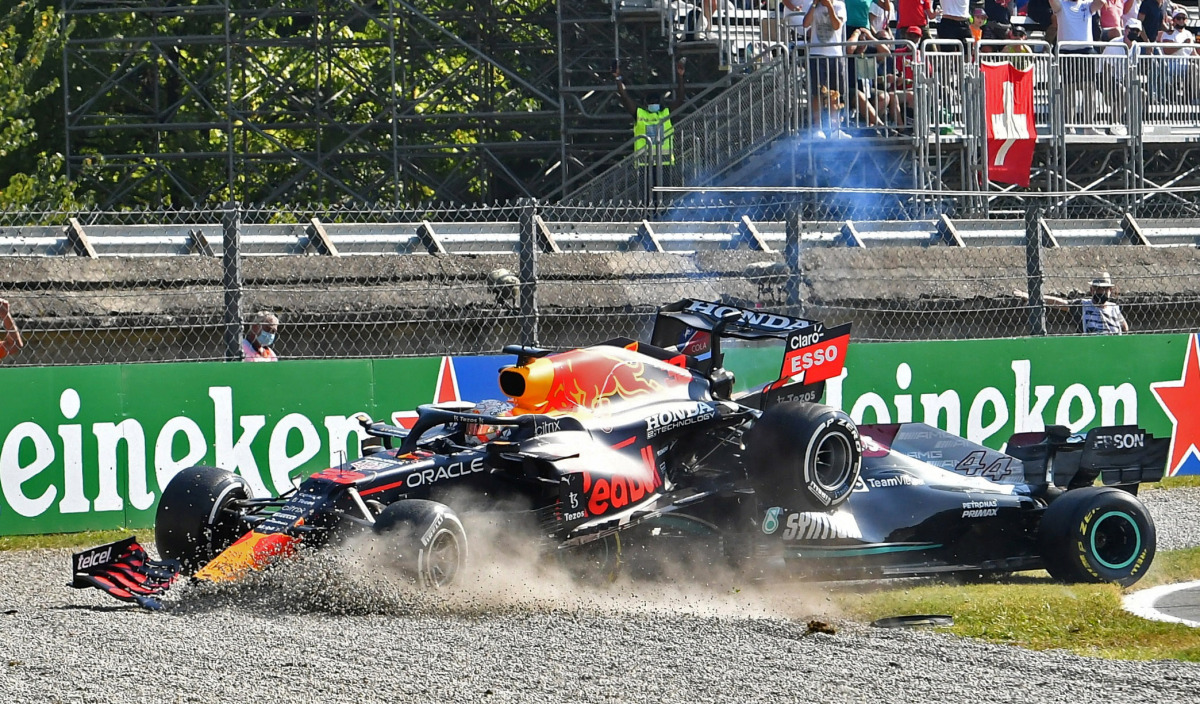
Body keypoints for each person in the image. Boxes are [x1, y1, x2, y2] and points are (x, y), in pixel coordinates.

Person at [615, 60, 686, 168]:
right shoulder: (664, 114)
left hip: (651, 164)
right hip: (658, 163)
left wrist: (618, 78)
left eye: (655, 101)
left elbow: (625, 97)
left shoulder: (641, 114)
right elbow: (680, 98)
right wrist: (680, 77)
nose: (654, 103)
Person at [1014, 272, 1130, 334]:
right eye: (1098, 288)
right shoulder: (1082, 306)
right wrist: (1031, 297)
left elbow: (1125, 328)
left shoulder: (1114, 308)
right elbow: (1060, 303)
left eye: (1105, 289)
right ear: (1091, 290)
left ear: (1110, 291)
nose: (1101, 292)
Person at [1053, 0, 1106, 133]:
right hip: (1066, 51)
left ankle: (1088, 126)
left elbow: (1101, 2)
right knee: (1069, 90)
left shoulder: (1087, 5)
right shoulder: (1061, 5)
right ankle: (1069, 126)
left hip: (1086, 51)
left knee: (1090, 89)